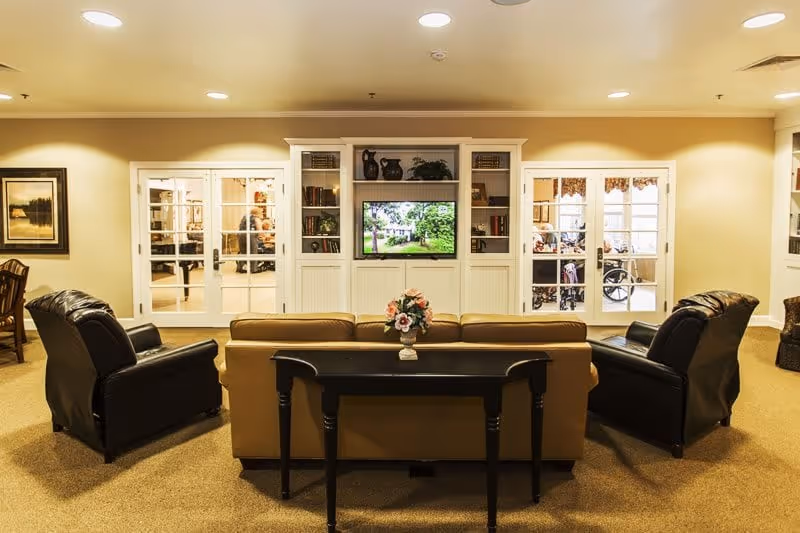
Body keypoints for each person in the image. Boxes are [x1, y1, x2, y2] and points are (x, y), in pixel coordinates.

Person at [236, 207, 263, 273]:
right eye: (261, 212)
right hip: (251, 236)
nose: (262, 214)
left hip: (241, 235)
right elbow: (260, 231)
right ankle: (253, 269)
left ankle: (242, 268)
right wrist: (261, 236)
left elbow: (239, 227)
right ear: (258, 213)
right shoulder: (256, 218)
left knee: (243, 253)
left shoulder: (244, 217)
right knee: (253, 252)